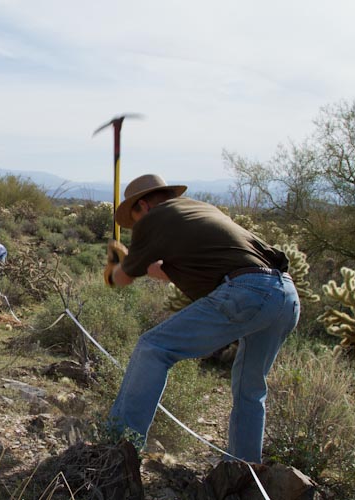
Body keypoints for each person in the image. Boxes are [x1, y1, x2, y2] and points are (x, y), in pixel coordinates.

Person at [104, 174, 299, 464]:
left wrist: (112, 268)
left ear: (143, 205)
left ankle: (119, 448)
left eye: (134, 218)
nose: (137, 226)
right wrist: (155, 268)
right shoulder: (201, 209)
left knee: (153, 348)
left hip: (247, 292)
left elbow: (122, 278)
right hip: (284, 296)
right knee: (250, 388)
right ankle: (242, 473)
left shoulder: (154, 218)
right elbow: (202, 262)